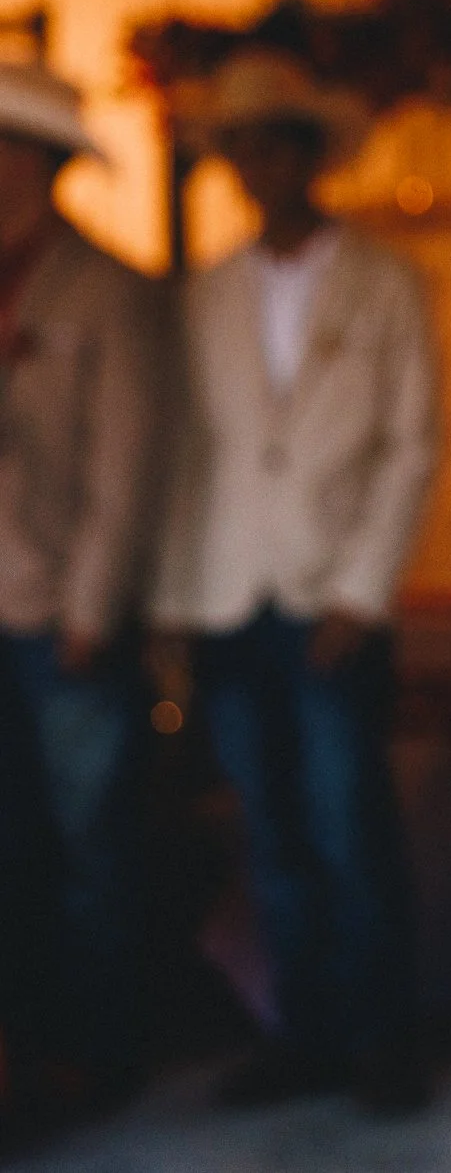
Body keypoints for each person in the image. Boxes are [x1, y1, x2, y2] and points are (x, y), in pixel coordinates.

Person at [154, 51, 440, 1114]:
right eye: (241, 145)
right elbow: (189, 451)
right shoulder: (205, 294)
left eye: (276, 140)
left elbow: (414, 443)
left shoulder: (385, 278)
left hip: (333, 597)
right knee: (269, 832)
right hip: (232, 593)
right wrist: (178, 602)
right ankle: (303, 1034)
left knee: (349, 825)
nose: (257, 162)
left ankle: (383, 1042)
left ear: (311, 154)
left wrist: (364, 589)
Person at [0, 66, 168, 1125]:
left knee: (90, 834)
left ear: (40, 163)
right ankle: (26, 1038)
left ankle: (98, 1043)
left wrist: (94, 606)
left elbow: (128, 462)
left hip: (62, 607)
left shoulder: (106, 288)